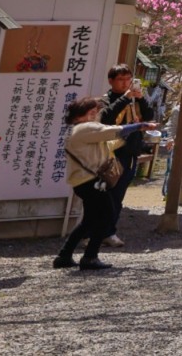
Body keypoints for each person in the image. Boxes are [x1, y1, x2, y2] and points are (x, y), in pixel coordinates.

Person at [58, 95, 156, 271]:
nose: (95, 116)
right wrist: (137, 126)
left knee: (89, 220)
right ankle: (90, 257)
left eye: (95, 113)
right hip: (91, 181)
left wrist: (131, 132)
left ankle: (64, 255)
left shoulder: (79, 131)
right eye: (92, 112)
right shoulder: (83, 128)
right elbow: (110, 131)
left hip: (85, 181)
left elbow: (110, 142)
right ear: (80, 114)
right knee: (107, 215)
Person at [99, 64, 152, 246]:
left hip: (129, 155)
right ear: (111, 81)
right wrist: (124, 98)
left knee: (118, 196)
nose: (125, 83)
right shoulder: (107, 99)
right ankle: (94, 232)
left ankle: (108, 232)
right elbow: (104, 117)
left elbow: (149, 116)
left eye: (128, 79)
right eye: (121, 79)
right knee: (104, 195)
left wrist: (141, 99)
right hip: (110, 154)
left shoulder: (135, 101)